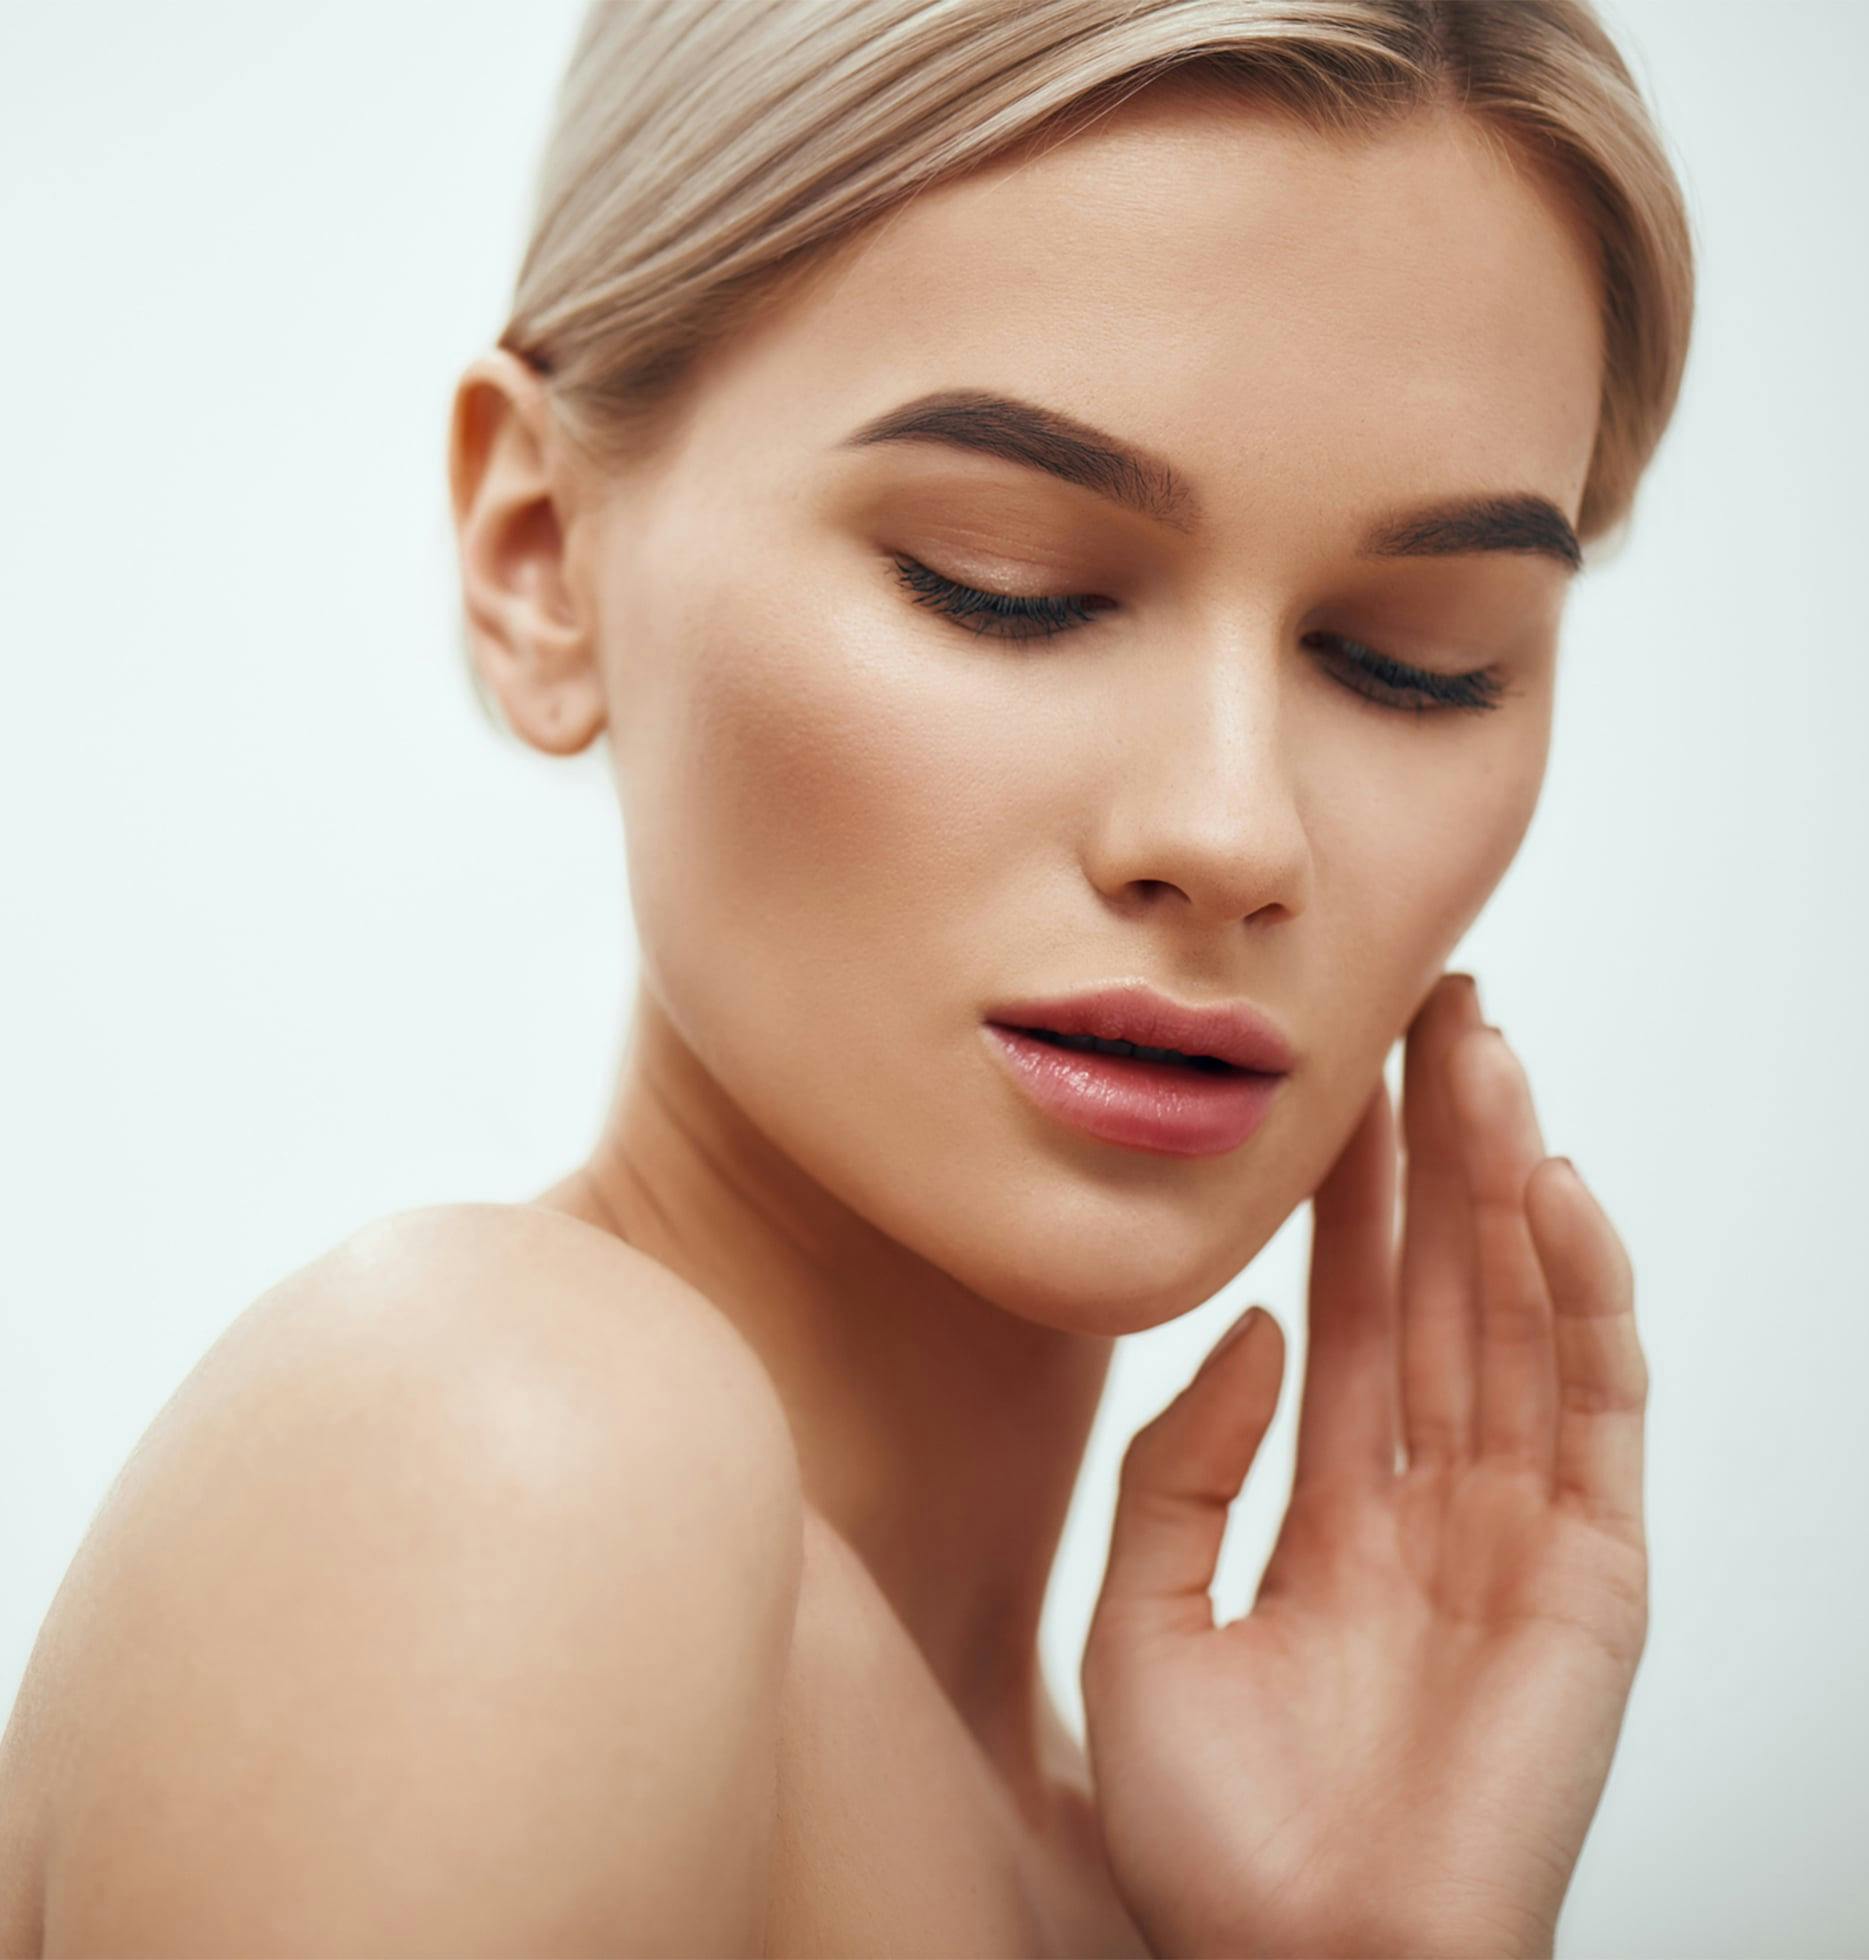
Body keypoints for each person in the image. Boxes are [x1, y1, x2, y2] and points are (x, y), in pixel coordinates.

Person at [0, 1, 1693, 1952]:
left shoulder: (1180, 1863)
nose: (1234, 829)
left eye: (1416, 655)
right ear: (539, 552)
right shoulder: (504, 1449)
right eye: (1006, 580)